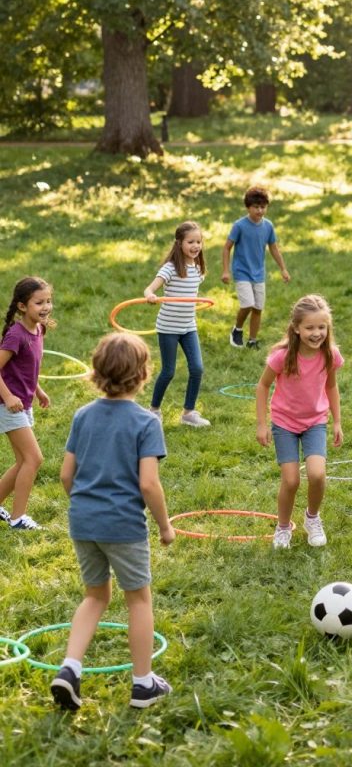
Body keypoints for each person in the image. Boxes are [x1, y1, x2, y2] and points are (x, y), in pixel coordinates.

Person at [51, 333, 175, 712]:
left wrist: (86, 506)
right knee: (138, 600)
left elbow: (65, 475)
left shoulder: (82, 415)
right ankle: (143, 685)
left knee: (94, 596)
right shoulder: (145, 422)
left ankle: (70, 669)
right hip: (123, 525)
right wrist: (165, 526)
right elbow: (149, 484)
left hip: (83, 521)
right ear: (143, 374)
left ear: (97, 371)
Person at [256, 294, 343, 549]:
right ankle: (283, 528)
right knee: (291, 480)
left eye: (321, 327)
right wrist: (262, 424)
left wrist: (337, 421)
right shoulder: (282, 356)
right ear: (296, 328)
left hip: (315, 421)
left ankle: (312, 518)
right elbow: (262, 386)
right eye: (310, 328)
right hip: (284, 423)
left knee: (317, 474)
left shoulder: (330, 355)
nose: (317, 333)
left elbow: (332, 387)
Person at [144, 220, 210, 427]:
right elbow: (149, 289)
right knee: (169, 371)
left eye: (198, 241)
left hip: (188, 326)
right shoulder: (170, 268)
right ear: (179, 243)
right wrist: (150, 295)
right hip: (168, 328)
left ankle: (188, 413)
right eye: (191, 241)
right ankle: (154, 410)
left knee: (197, 368)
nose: (195, 246)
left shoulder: (198, 269)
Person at [0, 277, 53, 531]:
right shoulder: (16, 335)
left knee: (24, 461)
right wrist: (8, 397)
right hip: (7, 404)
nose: (46, 307)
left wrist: (38, 391)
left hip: (23, 402)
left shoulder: (39, 329)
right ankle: (18, 518)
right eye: (39, 303)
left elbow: (26, 368)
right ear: (22, 306)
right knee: (34, 458)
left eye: (48, 301)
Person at [222, 185, 290, 349]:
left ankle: (252, 341)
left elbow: (273, 248)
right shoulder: (239, 225)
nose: (260, 211)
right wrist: (226, 270)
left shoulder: (268, 226)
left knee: (258, 308)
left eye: (263, 207)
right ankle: (237, 330)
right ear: (248, 207)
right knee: (248, 304)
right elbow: (226, 247)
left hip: (258, 274)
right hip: (242, 272)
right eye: (256, 207)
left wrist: (283, 269)